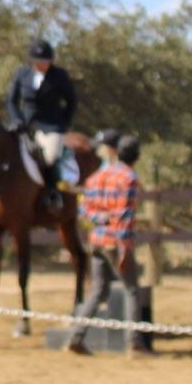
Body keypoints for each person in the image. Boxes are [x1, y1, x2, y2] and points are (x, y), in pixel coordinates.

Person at [65, 130, 145, 357]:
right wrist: (124, 248)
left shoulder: (96, 177)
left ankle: (76, 337)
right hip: (115, 241)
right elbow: (124, 216)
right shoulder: (129, 179)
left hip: (97, 240)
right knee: (131, 290)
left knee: (98, 290)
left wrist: (101, 220)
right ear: (137, 157)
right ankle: (134, 343)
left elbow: (84, 211)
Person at [5, 38, 79, 213]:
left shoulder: (59, 75)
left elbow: (71, 101)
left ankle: (53, 192)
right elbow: (11, 101)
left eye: (45, 61)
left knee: (50, 156)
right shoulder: (22, 74)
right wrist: (17, 119)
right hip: (25, 124)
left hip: (51, 126)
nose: (42, 65)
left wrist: (64, 123)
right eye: (38, 61)